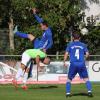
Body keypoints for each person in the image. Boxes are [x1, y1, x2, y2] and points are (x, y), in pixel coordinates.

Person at [63, 33, 93, 97]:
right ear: (79, 38)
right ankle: (89, 92)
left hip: (73, 63)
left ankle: (68, 93)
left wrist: (64, 61)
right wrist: (84, 59)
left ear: (73, 38)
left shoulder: (70, 45)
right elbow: (87, 54)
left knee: (69, 79)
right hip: (81, 63)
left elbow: (66, 54)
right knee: (86, 79)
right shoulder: (83, 45)